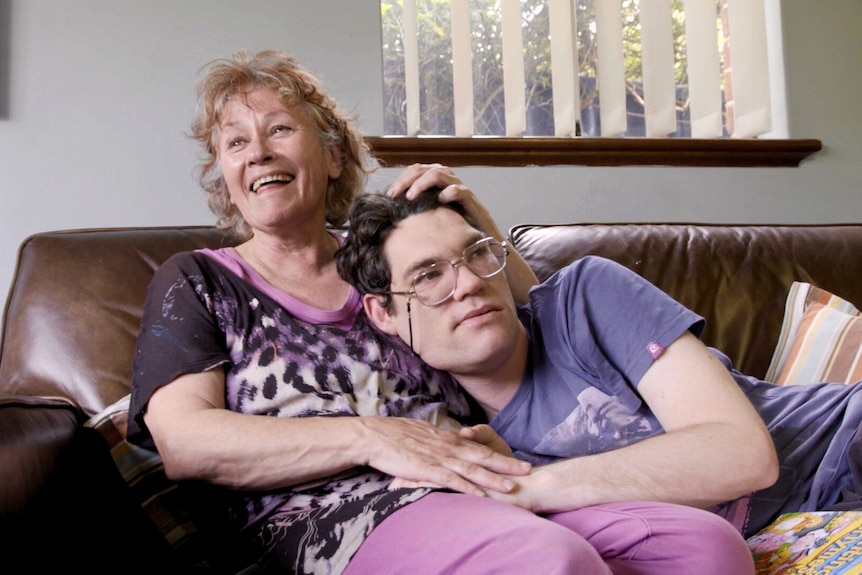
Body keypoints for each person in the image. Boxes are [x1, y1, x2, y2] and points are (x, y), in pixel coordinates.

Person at [126, 49, 756, 575]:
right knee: (546, 559)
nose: (258, 152)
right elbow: (186, 443)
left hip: (476, 482)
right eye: (236, 142)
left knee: (704, 547)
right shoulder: (199, 280)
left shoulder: (398, 259)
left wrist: (482, 228)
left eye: (279, 130)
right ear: (223, 174)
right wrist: (372, 437)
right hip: (328, 517)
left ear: (335, 155)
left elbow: (530, 328)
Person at [336, 187, 862, 542]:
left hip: (843, 445)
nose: (470, 282)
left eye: (476, 254)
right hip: (801, 535)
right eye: (429, 275)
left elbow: (743, 456)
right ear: (383, 312)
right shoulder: (461, 444)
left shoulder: (584, 297)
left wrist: (529, 488)